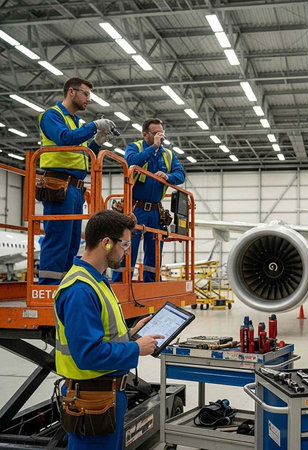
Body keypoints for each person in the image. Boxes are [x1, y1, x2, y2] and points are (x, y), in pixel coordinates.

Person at [53, 209, 163, 449]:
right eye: (124, 244)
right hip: (93, 401)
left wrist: (130, 335)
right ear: (106, 243)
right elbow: (88, 354)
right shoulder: (81, 290)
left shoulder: (97, 281)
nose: (126, 251)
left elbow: (101, 334)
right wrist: (135, 349)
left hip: (104, 397)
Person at [38, 77, 116, 285]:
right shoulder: (52, 116)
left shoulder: (76, 123)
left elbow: (83, 154)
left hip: (75, 188)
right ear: (71, 92)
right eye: (86, 93)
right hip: (59, 185)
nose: (88, 99)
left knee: (72, 242)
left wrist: (97, 142)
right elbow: (64, 138)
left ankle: (64, 285)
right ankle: (47, 289)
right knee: (58, 239)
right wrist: (93, 126)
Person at [111, 118, 185, 283]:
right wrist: (153, 148)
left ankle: (152, 284)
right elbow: (131, 163)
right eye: (155, 133)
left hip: (155, 211)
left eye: (161, 132)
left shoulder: (168, 155)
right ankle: (121, 283)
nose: (160, 136)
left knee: (154, 251)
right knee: (127, 247)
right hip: (134, 208)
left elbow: (181, 175)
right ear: (145, 134)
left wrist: (168, 176)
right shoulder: (134, 147)